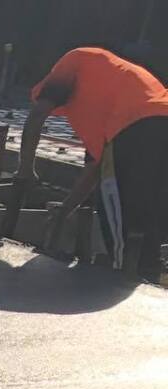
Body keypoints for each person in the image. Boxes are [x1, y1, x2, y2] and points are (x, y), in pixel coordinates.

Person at [24, 47, 168, 279]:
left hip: (137, 125)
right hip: (161, 119)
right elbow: (96, 168)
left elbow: (37, 115)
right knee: (150, 203)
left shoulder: (73, 61)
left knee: (114, 200)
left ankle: (123, 273)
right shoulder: (108, 84)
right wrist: (65, 209)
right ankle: (149, 269)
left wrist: (25, 168)